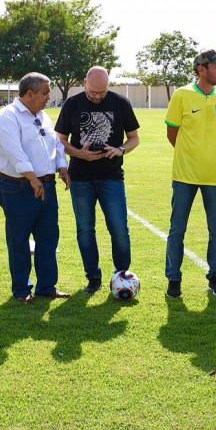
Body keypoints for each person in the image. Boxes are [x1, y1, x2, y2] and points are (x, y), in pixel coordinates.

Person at [54, 66, 141, 293]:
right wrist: (78, 153)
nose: (97, 96)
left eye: (102, 93)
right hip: (81, 178)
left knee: (119, 228)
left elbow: (134, 138)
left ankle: (122, 275)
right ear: (85, 83)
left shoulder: (120, 103)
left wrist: (120, 149)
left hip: (112, 177)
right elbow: (59, 140)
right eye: (93, 92)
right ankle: (93, 277)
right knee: (85, 229)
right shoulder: (72, 105)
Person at [0, 72, 72, 302]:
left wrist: (62, 167)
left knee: (48, 237)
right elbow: (14, 152)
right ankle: (22, 290)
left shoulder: (43, 116)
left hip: (46, 186)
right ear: (29, 94)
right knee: (19, 239)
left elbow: (55, 145)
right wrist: (32, 177)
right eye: (45, 93)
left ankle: (47, 287)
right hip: (18, 188)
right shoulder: (7, 117)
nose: (49, 97)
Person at [164, 49, 216, 298]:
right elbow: (173, 133)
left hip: (215, 175)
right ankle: (174, 278)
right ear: (202, 69)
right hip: (184, 175)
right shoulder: (182, 94)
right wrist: (188, 154)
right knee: (177, 229)